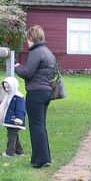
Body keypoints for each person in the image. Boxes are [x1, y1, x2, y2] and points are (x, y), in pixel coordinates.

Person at [14, 25, 56, 168]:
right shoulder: (48, 52)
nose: (27, 42)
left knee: (35, 126)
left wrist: (16, 67)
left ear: (32, 38)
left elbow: (27, 72)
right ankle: (46, 158)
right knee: (41, 126)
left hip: (36, 93)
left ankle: (38, 160)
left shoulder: (36, 52)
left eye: (28, 39)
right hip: (46, 93)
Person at [0, 76, 26, 158]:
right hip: (9, 120)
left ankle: (10, 152)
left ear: (14, 86)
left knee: (11, 136)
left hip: (15, 121)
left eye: (8, 87)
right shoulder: (8, 96)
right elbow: (5, 107)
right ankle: (19, 151)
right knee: (14, 136)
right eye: (5, 87)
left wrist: (19, 119)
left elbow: (21, 109)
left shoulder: (18, 97)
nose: (7, 89)